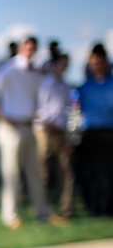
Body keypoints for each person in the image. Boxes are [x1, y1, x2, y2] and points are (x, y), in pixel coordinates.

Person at [0, 36, 63, 228]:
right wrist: (2, 117)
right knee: (11, 174)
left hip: (29, 126)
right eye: (26, 46)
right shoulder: (8, 69)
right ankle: (11, 215)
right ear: (20, 48)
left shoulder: (35, 73)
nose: (30, 50)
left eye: (33, 47)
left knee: (35, 172)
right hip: (11, 128)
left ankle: (43, 213)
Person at [35, 53, 75, 217]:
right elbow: (37, 106)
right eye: (61, 63)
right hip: (44, 130)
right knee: (42, 171)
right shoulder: (45, 83)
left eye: (66, 63)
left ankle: (66, 207)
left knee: (65, 171)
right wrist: (45, 122)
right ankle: (42, 207)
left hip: (60, 131)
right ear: (55, 64)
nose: (64, 66)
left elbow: (69, 111)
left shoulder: (66, 87)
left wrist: (69, 135)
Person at [76, 44, 113, 216]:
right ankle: (93, 206)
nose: (97, 64)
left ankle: (108, 206)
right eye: (94, 61)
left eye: (100, 61)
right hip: (89, 133)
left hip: (108, 132)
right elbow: (76, 112)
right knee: (90, 173)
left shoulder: (111, 84)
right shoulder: (84, 87)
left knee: (108, 172)